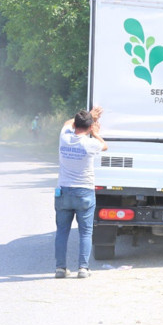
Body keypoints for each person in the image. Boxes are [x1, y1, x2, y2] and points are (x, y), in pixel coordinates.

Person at [55, 107, 108, 279]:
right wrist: (96, 132)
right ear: (89, 127)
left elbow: (66, 123)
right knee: (85, 232)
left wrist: (89, 116)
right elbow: (105, 146)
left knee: (62, 231)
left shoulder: (64, 137)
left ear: (76, 124)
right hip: (84, 191)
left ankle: (60, 268)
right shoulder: (90, 143)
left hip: (63, 191)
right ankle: (83, 269)